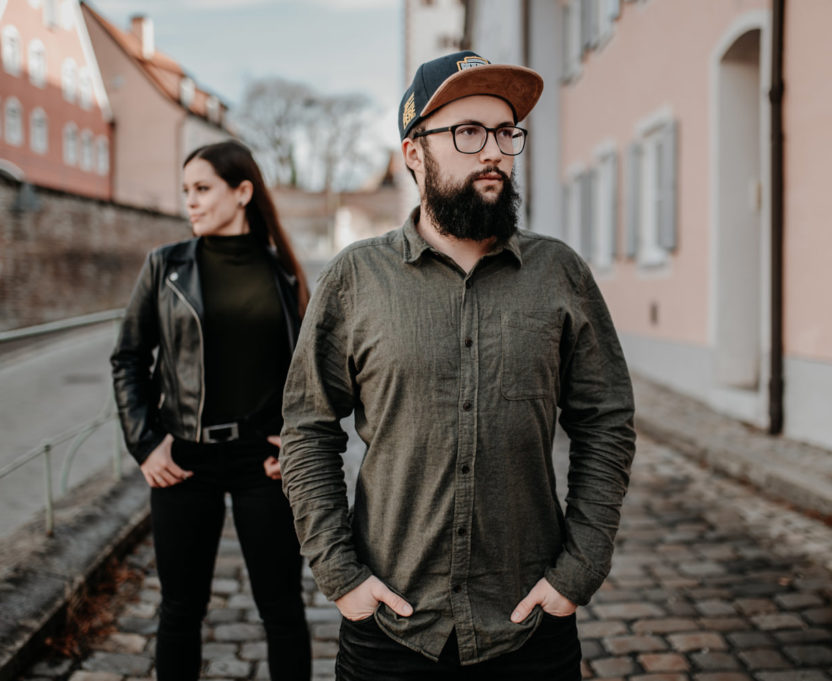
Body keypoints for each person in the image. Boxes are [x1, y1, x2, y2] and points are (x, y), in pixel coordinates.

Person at [280, 51, 636, 681]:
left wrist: (578, 570)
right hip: (392, 630)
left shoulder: (560, 274)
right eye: (467, 133)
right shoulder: (357, 278)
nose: (493, 151)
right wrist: (341, 576)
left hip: (529, 627)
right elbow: (308, 429)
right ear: (414, 153)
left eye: (506, 132)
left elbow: (606, 421)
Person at [111, 141, 312, 681]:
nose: (190, 203)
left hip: (263, 465)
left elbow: (310, 376)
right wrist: (144, 442)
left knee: (283, 611)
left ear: (242, 192)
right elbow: (129, 356)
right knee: (180, 610)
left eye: (202, 189)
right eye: (186, 192)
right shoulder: (165, 267)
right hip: (184, 459)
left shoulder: (286, 274)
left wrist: (295, 443)